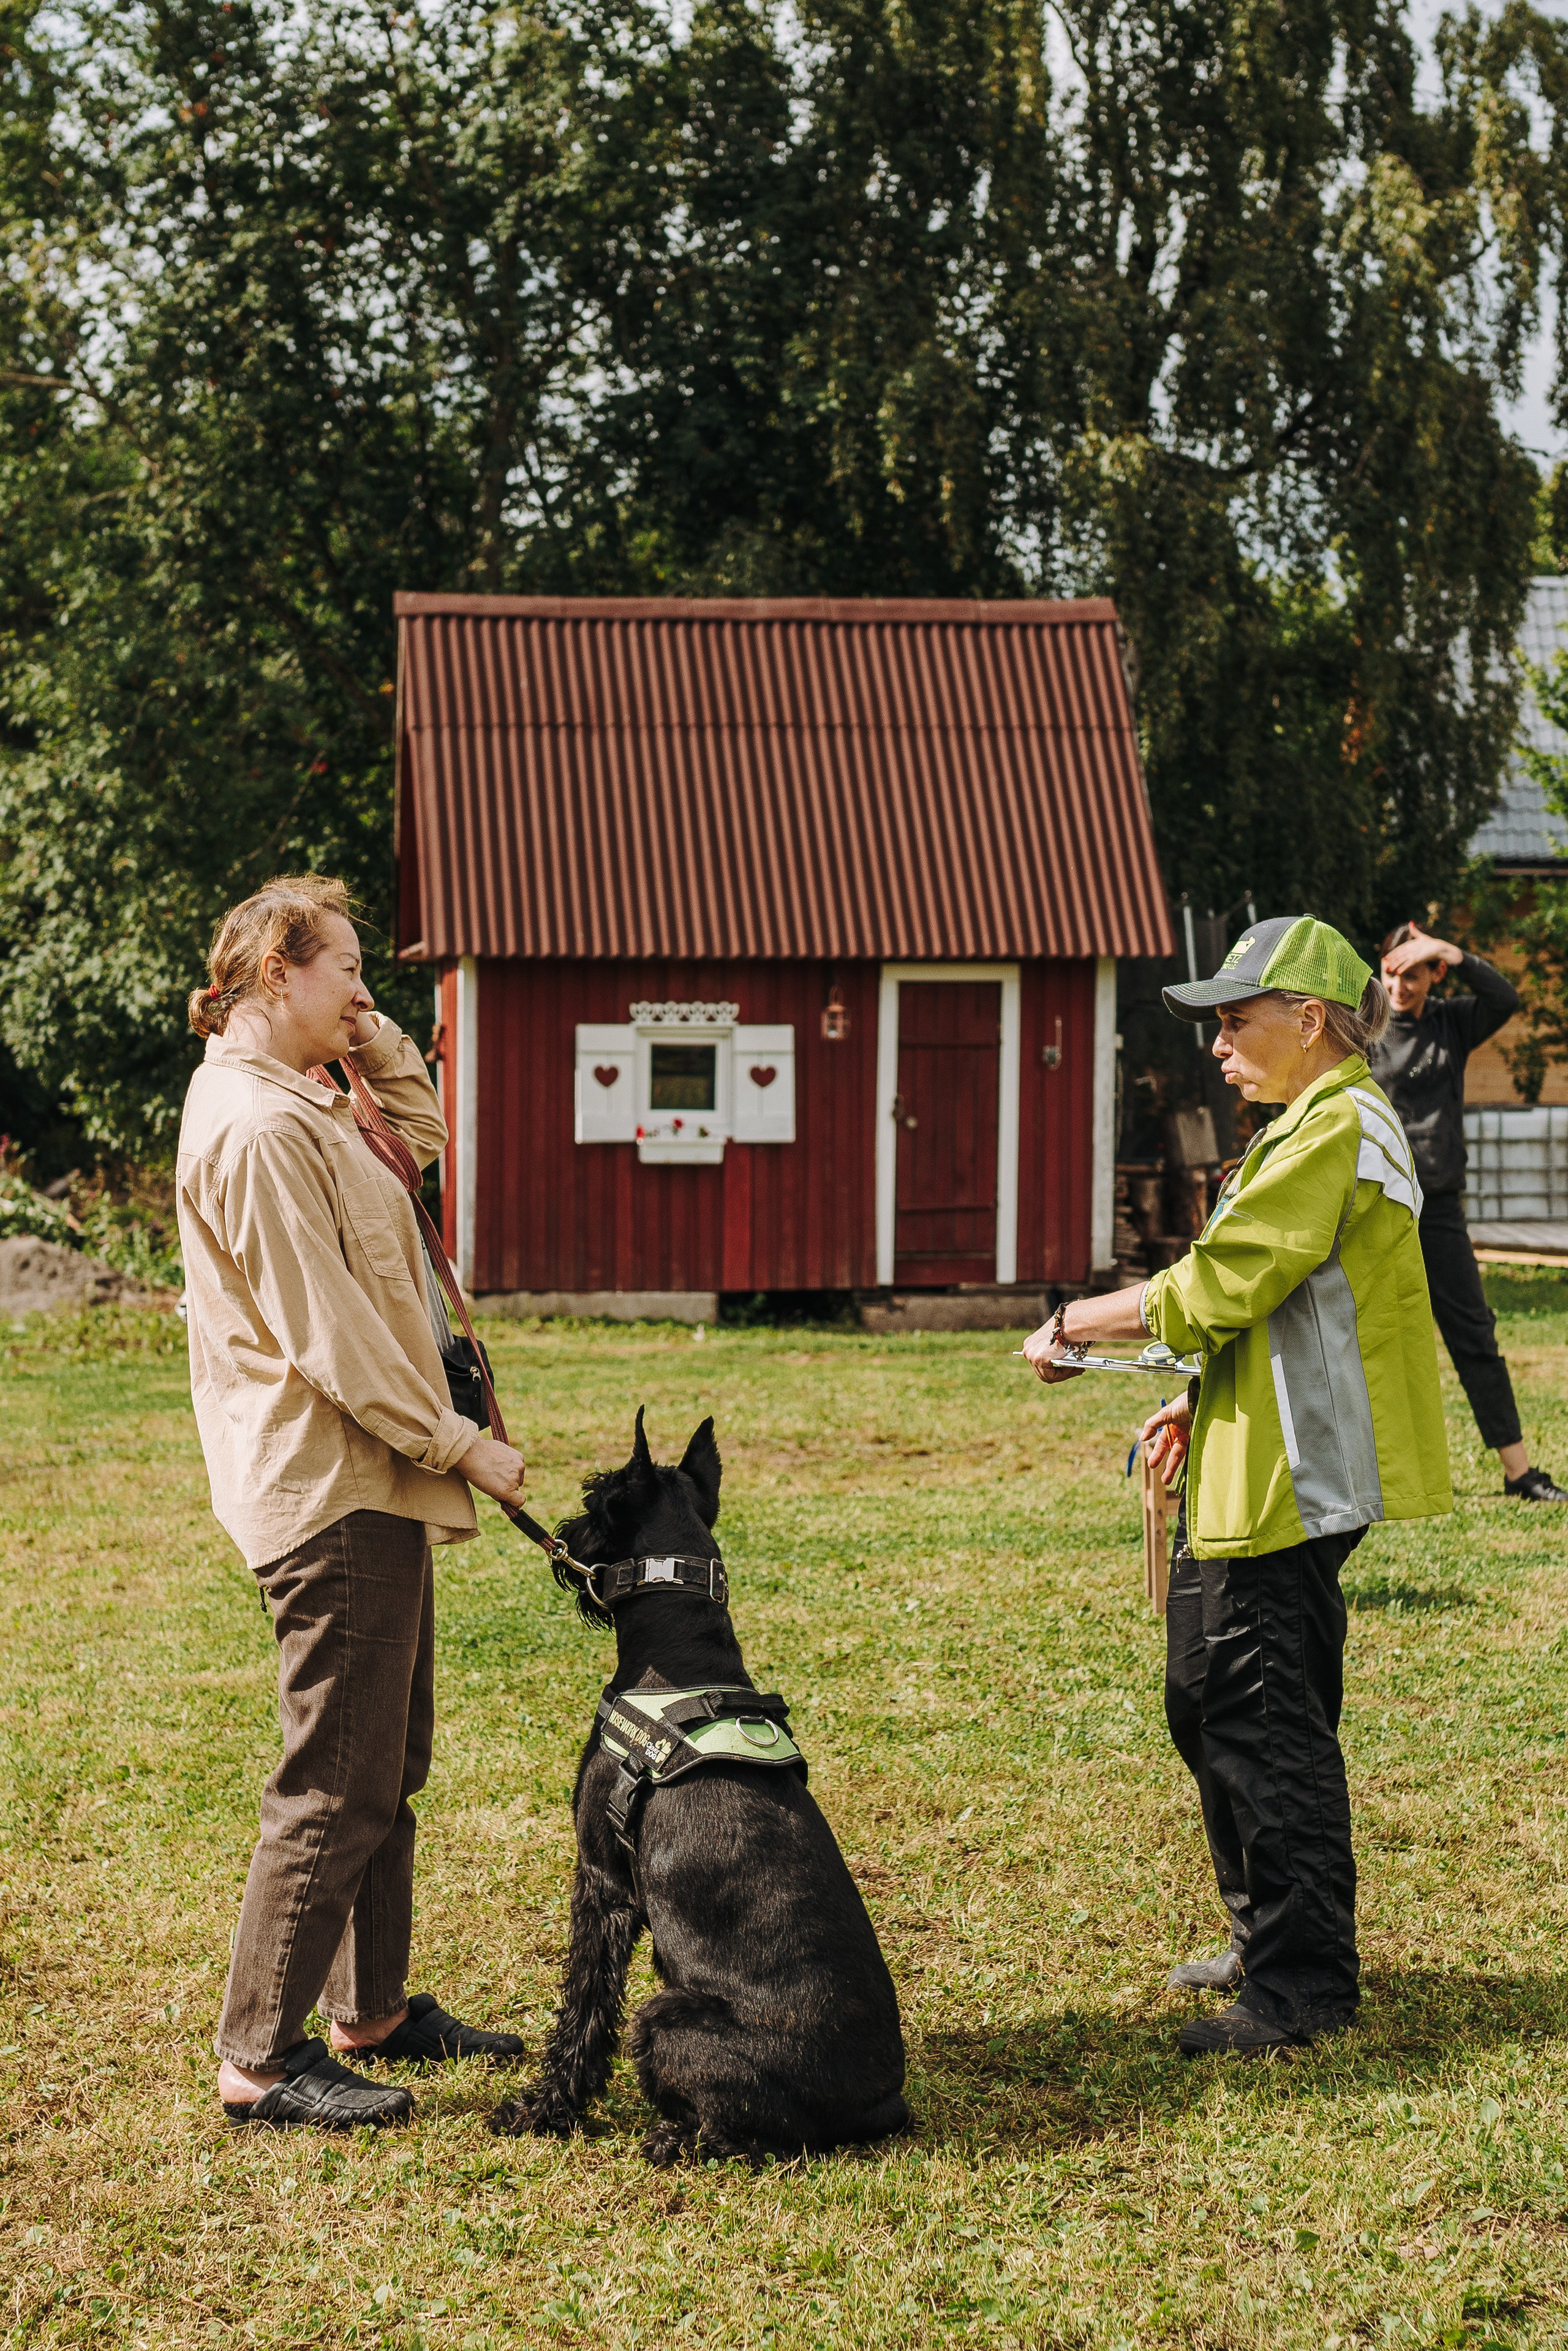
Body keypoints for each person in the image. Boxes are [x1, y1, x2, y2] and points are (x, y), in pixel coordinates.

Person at [1023, 915, 1451, 2057]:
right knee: (1211, 1698)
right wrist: (1190, 1401)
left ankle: (1301, 1985)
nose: (1218, 1045)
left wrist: (1075, 1321)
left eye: (1235, 1020)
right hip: (1251, 1456)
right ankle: (1268, 1936)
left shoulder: (1338, 1125)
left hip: (1292, 1476)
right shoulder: (1312, 1123)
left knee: (1265, 1720)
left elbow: (1223, 1281)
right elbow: (1279, 1311)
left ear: (1310, 1018)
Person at [177, 876, 532, 2130]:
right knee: (334, 1777)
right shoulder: (260, 1129)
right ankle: (262, 2055)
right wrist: (462, 1443)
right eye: (346, 971)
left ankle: (370, 2009)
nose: (363, 991)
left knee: (389, 1760)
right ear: (276, 969)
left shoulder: (311, 1097)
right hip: (334, 1485)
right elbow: (331, 1337)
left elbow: (420, 1138)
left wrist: (371, 1034)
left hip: (369, 1479)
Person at [1370, 921, 1566, 1503]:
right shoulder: (1361, 1029)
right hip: (1374, 1210)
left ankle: (1519, 1473)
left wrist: (1453, 950)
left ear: (1435, 975)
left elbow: (1505, 997)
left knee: (1475, 1336)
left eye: (1414, 972)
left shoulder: (1452, 1023)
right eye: (1392, 972)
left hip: (1438, 1211)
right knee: (1356, 1337)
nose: (1400, 985)